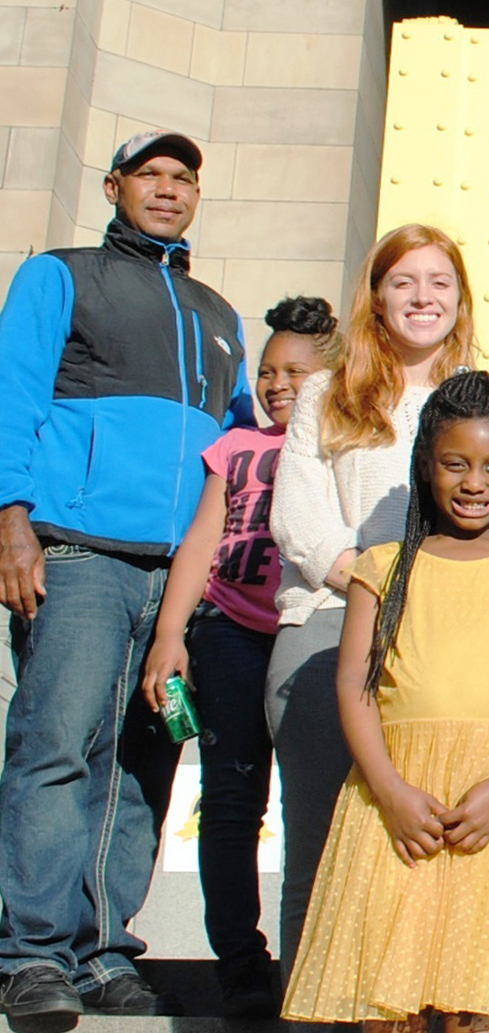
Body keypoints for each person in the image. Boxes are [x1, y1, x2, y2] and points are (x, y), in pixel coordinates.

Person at [0, 129, 250, 1029]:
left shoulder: (221, 313)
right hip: (76, 552)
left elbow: (237, 449)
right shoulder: (58, 275)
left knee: (144, 764)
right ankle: (31, 953)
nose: (169, 190)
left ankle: (103, 949)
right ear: (114, 185)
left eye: (185, 177)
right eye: (151, 174)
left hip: (178, 580)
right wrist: (11, 522)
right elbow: (12, 396)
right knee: (57, 747)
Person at [281, 371, 489, 1032]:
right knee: (390, 998)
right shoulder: (380, 567)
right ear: (425, 464)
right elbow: (355, 687)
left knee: (478, 995)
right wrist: (389, 790)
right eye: (456, 463)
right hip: (394, 804)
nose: (476, 482)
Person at [268, 224, 475, 980]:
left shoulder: (476, 399)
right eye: (404, 282)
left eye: (439, 282)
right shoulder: (329, 391)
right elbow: (298, 519)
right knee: (320, 848)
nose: (423, 297)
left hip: (445, 646)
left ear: (460, 299)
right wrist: (377, 582)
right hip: (328, 629)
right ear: (377, 297)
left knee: (412, 852)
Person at [137, 296, 338, 1018]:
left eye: (295, 371)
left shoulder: (337, 447)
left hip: (307, 635)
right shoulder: (234, 447)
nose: (277, 383)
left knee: (310, 800)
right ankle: (241, 964)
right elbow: (200, 542)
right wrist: (171, 634)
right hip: (228, 638)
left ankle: (313, 954)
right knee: (230, 801)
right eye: (266, 370)